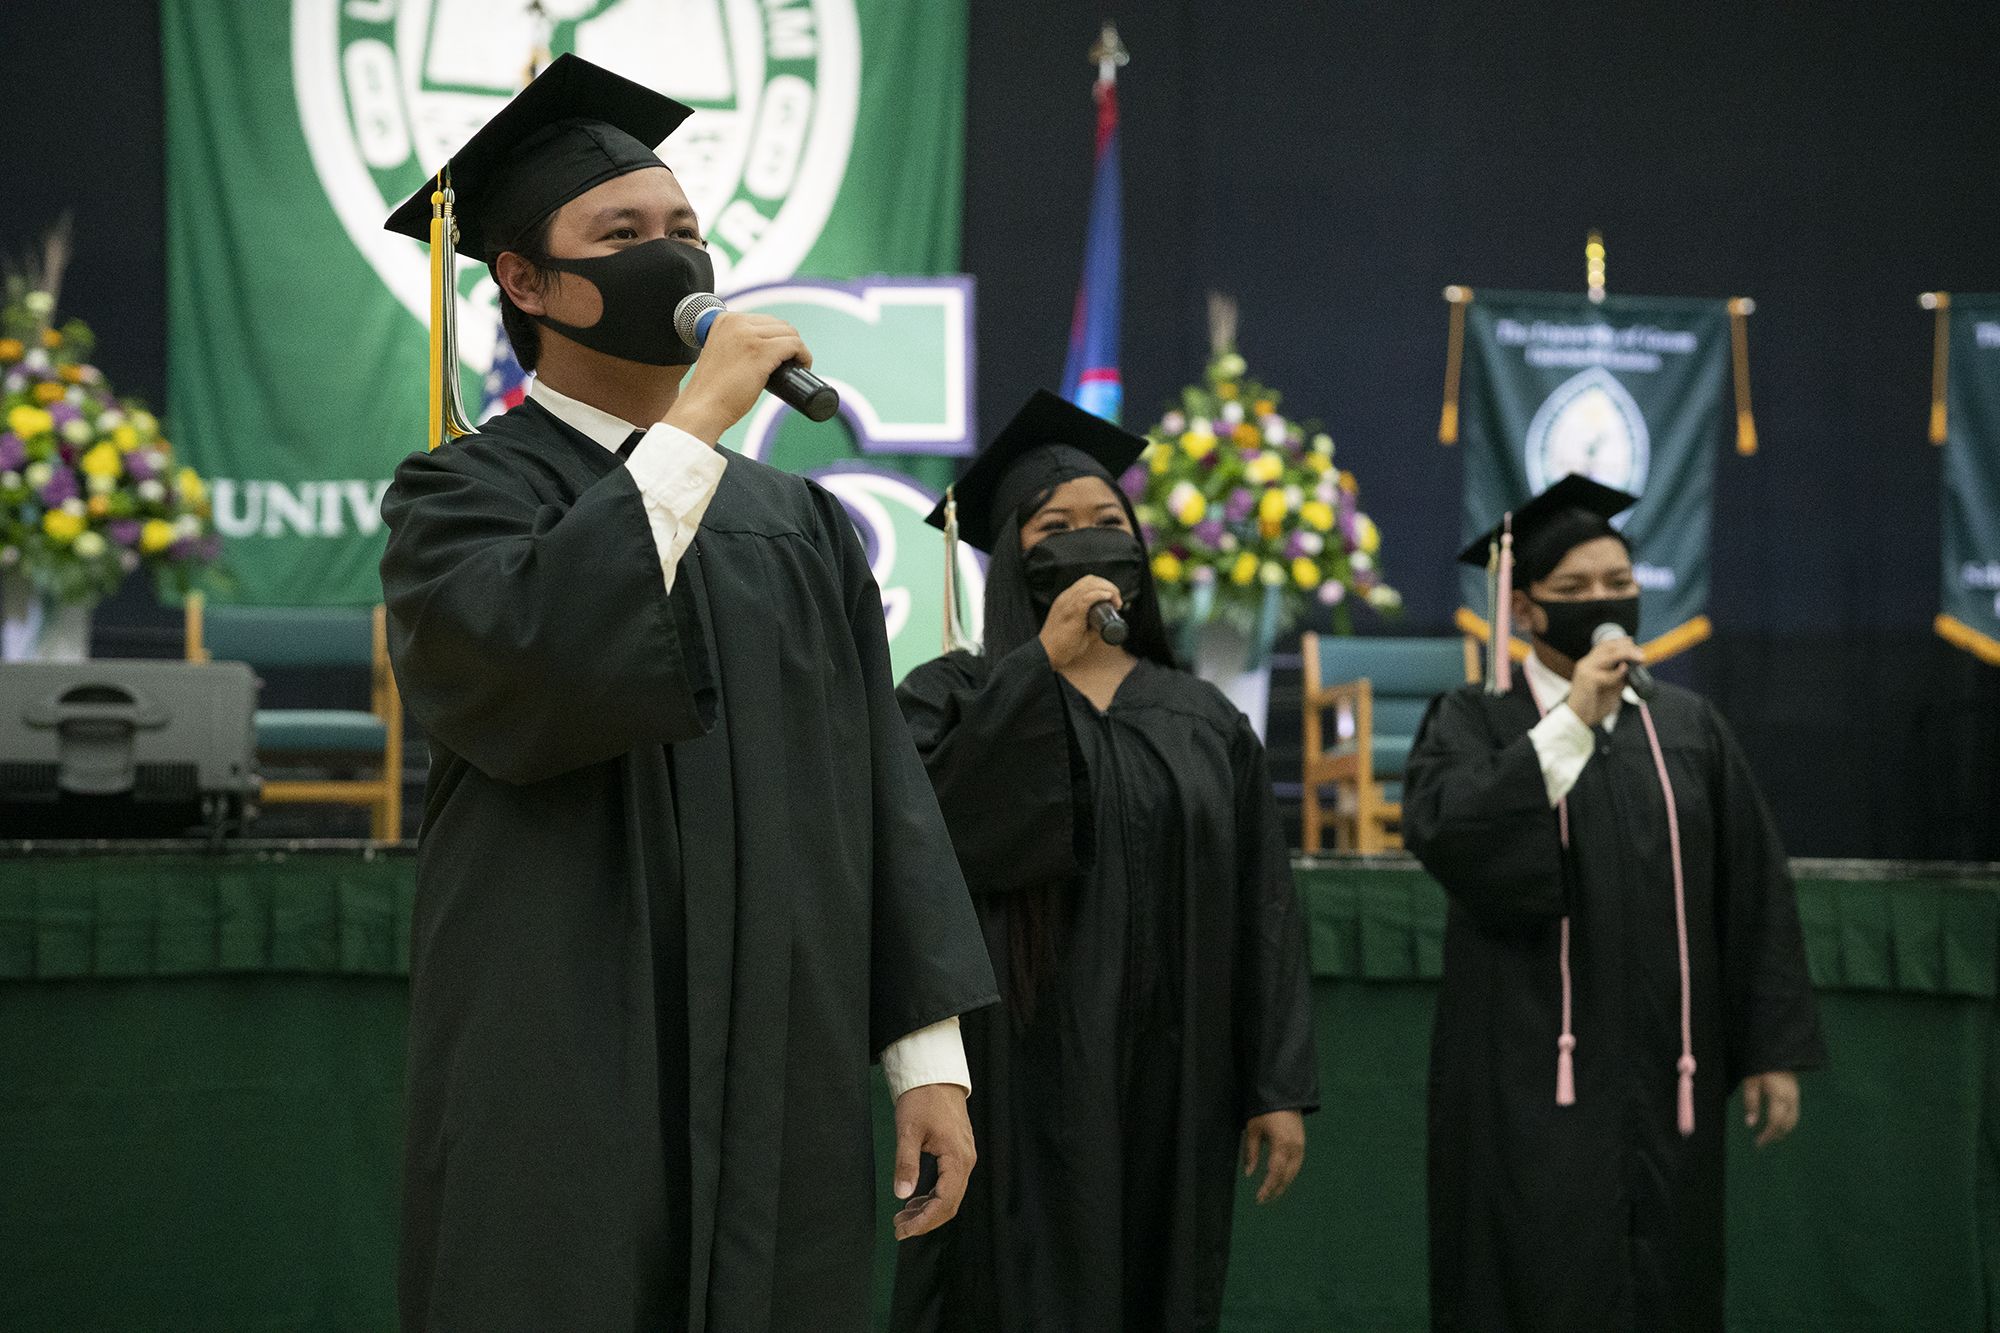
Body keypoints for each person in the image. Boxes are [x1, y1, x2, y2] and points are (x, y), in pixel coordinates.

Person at [376, 55, 997, 1332]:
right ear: (525, 282)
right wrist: (693, 428)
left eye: (685, 232)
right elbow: (531, 670)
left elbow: (876, 785)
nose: (672, 260)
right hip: (562, 1028)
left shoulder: (797, 523)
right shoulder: (459, 498)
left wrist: (927, 1059)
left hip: (781, 1034)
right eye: (622, 236)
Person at [888, 391, 1318, 1333]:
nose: (1086, 539)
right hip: (1018, 1070)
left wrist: (1275, 1084)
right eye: (1055, 527)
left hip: (1179, 1069)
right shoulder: (951, 694)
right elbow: (936, 843)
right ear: (1013, 553)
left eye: (1107, 522)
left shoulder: (1202, 716)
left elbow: (1263, 907)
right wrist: (1038, 662)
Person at [1403, 474, 1826, 1332]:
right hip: (1527, 1077)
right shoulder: (1475, 721)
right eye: (1575, 590)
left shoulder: (1687, 726)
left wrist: (1768, 1048)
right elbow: (1452, 835)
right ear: (1522, 610)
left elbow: (1749, 890)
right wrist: (1574, 722)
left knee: (1665, 1280)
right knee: (1531, 1277)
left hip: (1669, 1077)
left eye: (1617, 583)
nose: (1604, 603)